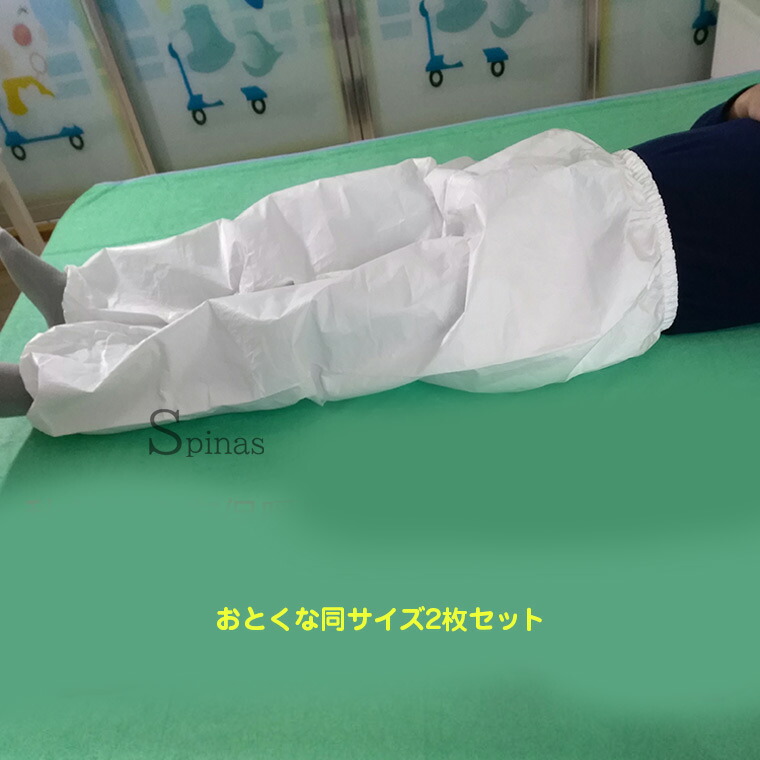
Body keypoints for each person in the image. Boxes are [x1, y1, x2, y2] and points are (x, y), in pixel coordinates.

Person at [0, 84, 758, 437]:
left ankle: (61, 384)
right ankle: (91, 295)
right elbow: (710, 136)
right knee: (319, 220)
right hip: (581, 178)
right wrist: (737, 106)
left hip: (610, 270)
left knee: (338, 320)